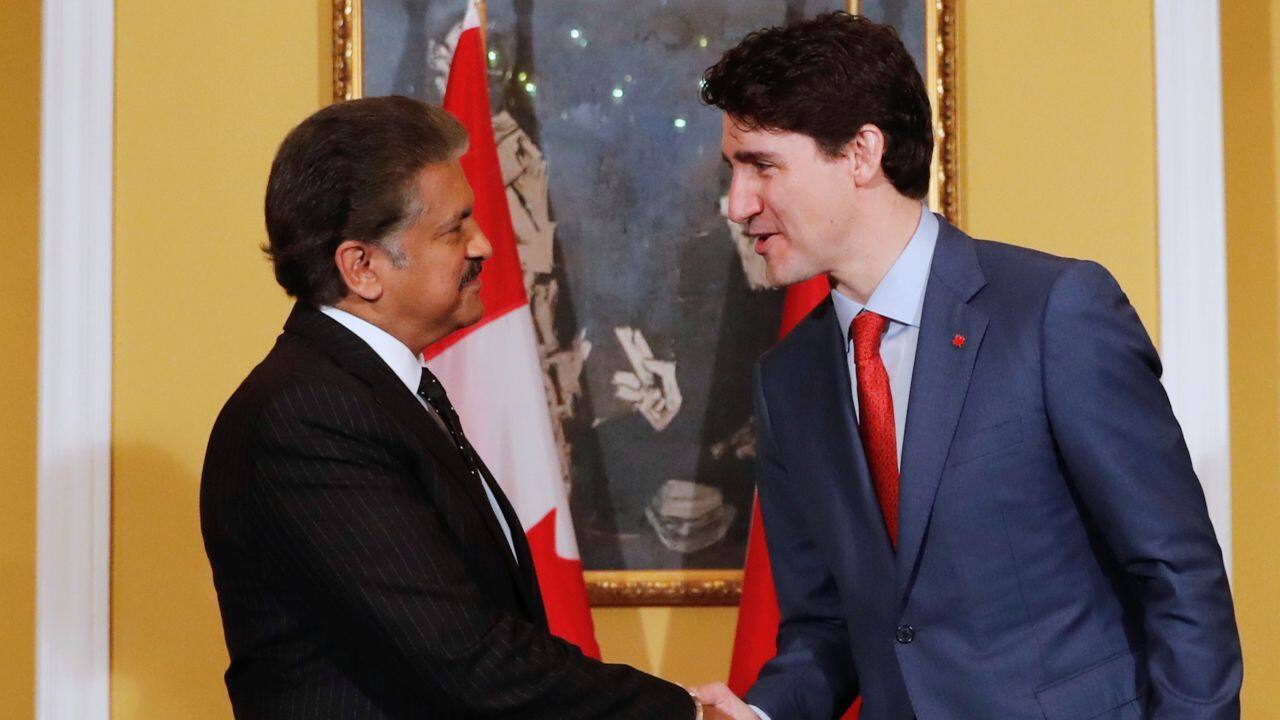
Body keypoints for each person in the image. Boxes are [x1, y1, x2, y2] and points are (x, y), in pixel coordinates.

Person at [692, 13, 1242, 720]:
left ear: (861, 154)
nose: (737, 205)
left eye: (762, 165)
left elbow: (1178, 574)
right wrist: (762, 715)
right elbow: (826, 626)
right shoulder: (787, 380)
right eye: (733, 172)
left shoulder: (1055, 313)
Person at [200, 96, 716, 719]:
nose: (485, 244)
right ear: (362, 267)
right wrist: (682, 713)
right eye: (455, 228)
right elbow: (460, 655)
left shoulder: (372, 393)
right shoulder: (307, 415)